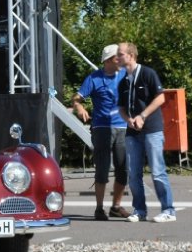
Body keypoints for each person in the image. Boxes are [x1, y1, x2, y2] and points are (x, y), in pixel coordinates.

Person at [116, 42, 176, 223]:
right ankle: (139, 210)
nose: (117, 58)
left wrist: (142, 115)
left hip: (152, 130)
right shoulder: (123, 80)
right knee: (134, 173)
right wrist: (129, 120)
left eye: (120, 54)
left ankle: (168, 210)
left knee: (157, 171)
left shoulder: (148, 74)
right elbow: (121, 107)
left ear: (131, 55)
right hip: (132, 132)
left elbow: (160, 97)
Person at [72, 44, 130, 221]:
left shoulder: (125, 75)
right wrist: (79, 107)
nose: (120, 60)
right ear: (107, 61)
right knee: (102, 169)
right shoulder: (93, 78)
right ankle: (99, 208)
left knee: (123, 168)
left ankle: (116, 206)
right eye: (116, 57)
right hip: (101, 128)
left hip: (122, 127)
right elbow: (76, 98)